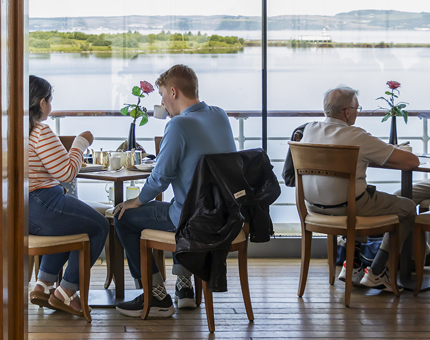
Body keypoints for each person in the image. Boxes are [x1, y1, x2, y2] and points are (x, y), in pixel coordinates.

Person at [113, 64, 237, 318]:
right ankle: (184, 287)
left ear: (173, 91)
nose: (161, 102)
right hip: (226, 217)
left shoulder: (178, 125)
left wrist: (135, 201)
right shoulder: (219, 115)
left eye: (161, 95)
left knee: (122, 217)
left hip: (194, 222)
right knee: (180, 201)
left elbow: (160, 178)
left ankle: (155, 294)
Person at [300, 85, 419, 292]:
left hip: (313, 208)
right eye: (357, 108)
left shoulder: (308, 130)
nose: (357, 112)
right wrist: (388, 153)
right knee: (407, 207)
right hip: (347, 207)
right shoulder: (357, 136)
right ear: (347, 112)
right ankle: (377, 272)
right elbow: (411, 162)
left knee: (360, 192)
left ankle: (352, 267)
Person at [29, 75, 109, 316]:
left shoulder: (14, 130)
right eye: (50, 101)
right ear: (42, 103)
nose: (50, 107)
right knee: (100, 226)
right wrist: (80, 143)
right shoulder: (40, 132)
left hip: (22, 210)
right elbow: (66, 173)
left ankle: (43, 285)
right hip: (43, 204)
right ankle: (65, 291)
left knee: (69, 225)